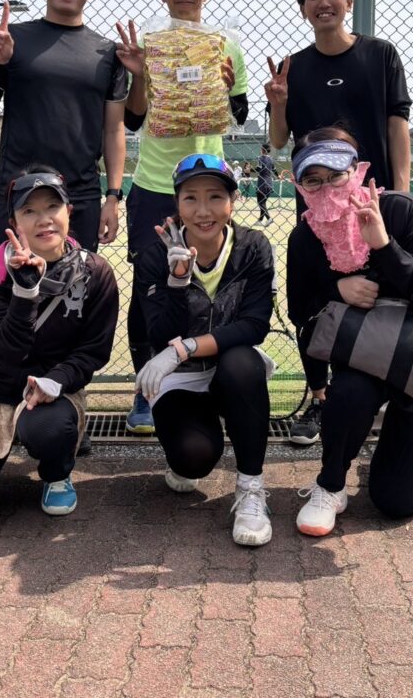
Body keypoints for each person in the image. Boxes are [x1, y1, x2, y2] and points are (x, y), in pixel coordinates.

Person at [286, 129, 413, 536]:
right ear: (299, 185)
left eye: (336, 175)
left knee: (397, 502)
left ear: (356, 171)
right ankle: (330, 485)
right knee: (348, 393)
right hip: (363, 358)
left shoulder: (402, 211)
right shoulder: (305, 237)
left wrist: (385, 247)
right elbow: (301, 313)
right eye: (313, 180)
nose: (327, 188)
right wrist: (336, 290)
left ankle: (406, 436)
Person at [264, 0, 413, 447]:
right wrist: (279, 102)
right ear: (303, 8)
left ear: (348, 2)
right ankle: (320, 398)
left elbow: (397, 126)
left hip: (374, 202)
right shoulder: (294, 66)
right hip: (320, 208)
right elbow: (279, 139)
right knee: (317, 298)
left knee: (396, 295)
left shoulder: (380, 54)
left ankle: (412, 402)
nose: (323, 3)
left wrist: (402, 194)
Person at [0, 168, 119, 540]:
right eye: (29, 211)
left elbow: (93, 351)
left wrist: (55, 382)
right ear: (14, 222)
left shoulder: (94, 273)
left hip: (50, 394)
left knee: (49, 428)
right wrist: (24, 293)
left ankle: (56, 473)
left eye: (52, 207)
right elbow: (4, 353)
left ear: (69, 212)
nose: (43, 219)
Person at [116, 0, 249, 434]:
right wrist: (139, 74)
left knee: (207, 287)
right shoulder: (150, 45)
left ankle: (200, 382)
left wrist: (227, 89)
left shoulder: (224, 44)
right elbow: (134, 119)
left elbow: (239, 113)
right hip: (155, 184)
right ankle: (145, 389)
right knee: (148, 288)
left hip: (207, 184)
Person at [135, 154, 274, 546]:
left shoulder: (253, 247)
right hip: (180, 378)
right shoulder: (153, 254)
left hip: (228, 367)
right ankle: (191, 439)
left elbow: (254, 325)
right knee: (193, 459)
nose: (203, 210)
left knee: (242, 362)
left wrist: (187, 347)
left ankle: (250, 488)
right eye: (191, 198)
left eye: (215, 196)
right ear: (177, 204)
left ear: (233, 200)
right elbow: (160, 333)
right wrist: (177, 282)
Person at [0, 0, 128, 256]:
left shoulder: (108, 52)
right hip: (16, 194)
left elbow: (113, 129)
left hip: (78, 198)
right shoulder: (11, 39)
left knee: (75, 286)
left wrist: (112, 197)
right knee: (2, 285)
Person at [256, 143, 274, 225]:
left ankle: (269, 218)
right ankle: (260, 221)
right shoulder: (271, 159)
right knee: (263, 203)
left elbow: (258, 168)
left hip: (262, 184)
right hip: (270, 184)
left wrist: (250, 170)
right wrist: (278, 176)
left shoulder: (259, 158)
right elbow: (274, 170)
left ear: (262, 150)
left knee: (260, 203)